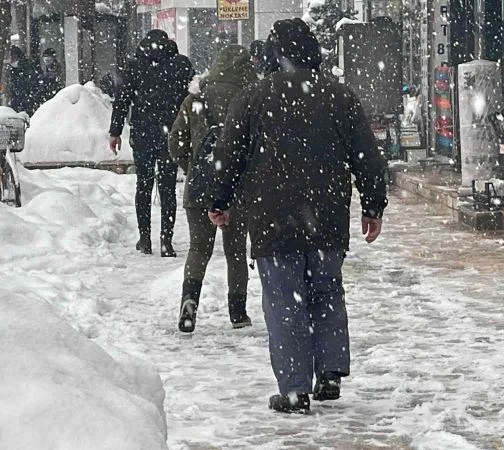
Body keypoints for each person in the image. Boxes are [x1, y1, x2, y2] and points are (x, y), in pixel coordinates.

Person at [209, 18, 388, 414]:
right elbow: (367, 157)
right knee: (326, 292)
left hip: (274, 220)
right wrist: (372, 205)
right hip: (327, 218)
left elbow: (228, 156)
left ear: (274, 54)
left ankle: (293, 388)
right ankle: (329, 371)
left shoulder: (253, 97)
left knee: (284, 300)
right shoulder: (339, 97)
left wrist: (219, 200)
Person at [168, 44, 255, 333]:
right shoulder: (248, 98)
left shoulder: (196, 98)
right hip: (237, 187)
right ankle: (237, 312)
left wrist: (193, 165)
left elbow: (175, 142)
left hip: (200, 185)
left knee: (198, 249)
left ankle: (189, 302)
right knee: (236, 252)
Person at [109, 29, 194, 257]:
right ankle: (166, 240)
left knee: (143, 186)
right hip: (170, 134)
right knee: (167, 188)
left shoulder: (134, 66)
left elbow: (122, 99)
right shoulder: (180, 66)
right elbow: (191, 96)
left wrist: (115, 132)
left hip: (143, 134)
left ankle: (145, 238)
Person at [7, 46, 40, 115]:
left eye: (12, 57)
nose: (11, 60)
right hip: (19, 101)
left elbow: (28, 85)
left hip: (26, 103)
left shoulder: (26, 68)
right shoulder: (14, 69)